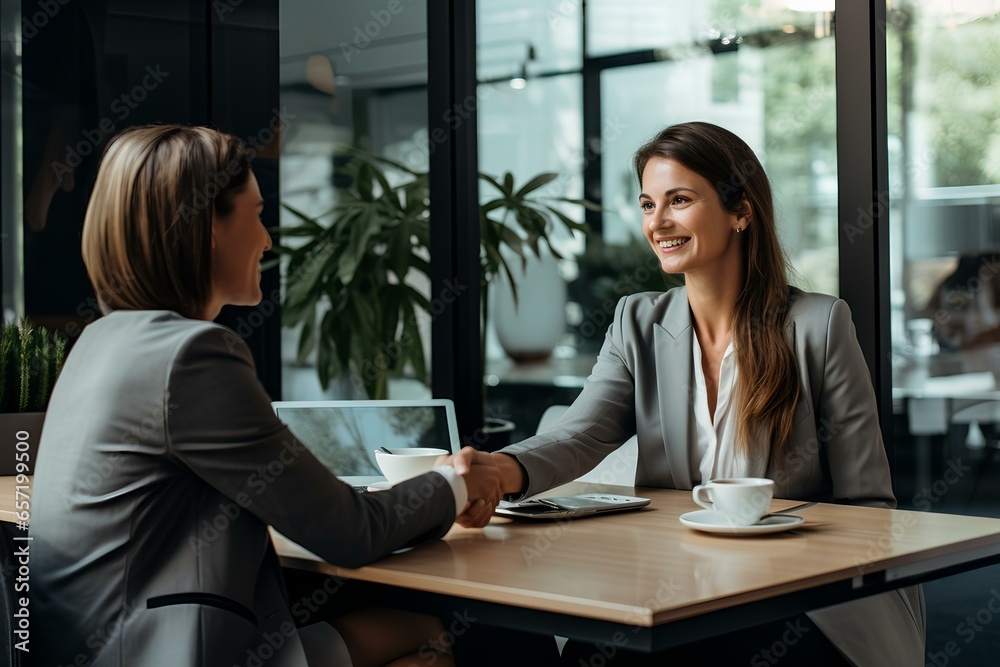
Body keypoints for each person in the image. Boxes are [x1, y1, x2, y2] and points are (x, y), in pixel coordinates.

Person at [447, 122, 925, 666]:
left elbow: (871, 506)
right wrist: (497, 471)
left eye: (680, 200)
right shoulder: (637, 322)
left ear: (741, 210)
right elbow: (579, 434)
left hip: (803, 601)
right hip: (673, 589)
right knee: (574, 645)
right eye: (649, 204)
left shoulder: (818, 324)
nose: (659, 222)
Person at [29, 124, 504, 667]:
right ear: (207, 224)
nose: (268, 239)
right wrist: (456, 482)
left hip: (105, 645)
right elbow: (350, 533)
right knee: (435, 635)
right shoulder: (192, 355)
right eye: (256, 215)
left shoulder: (98, 341)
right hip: (167, 651)